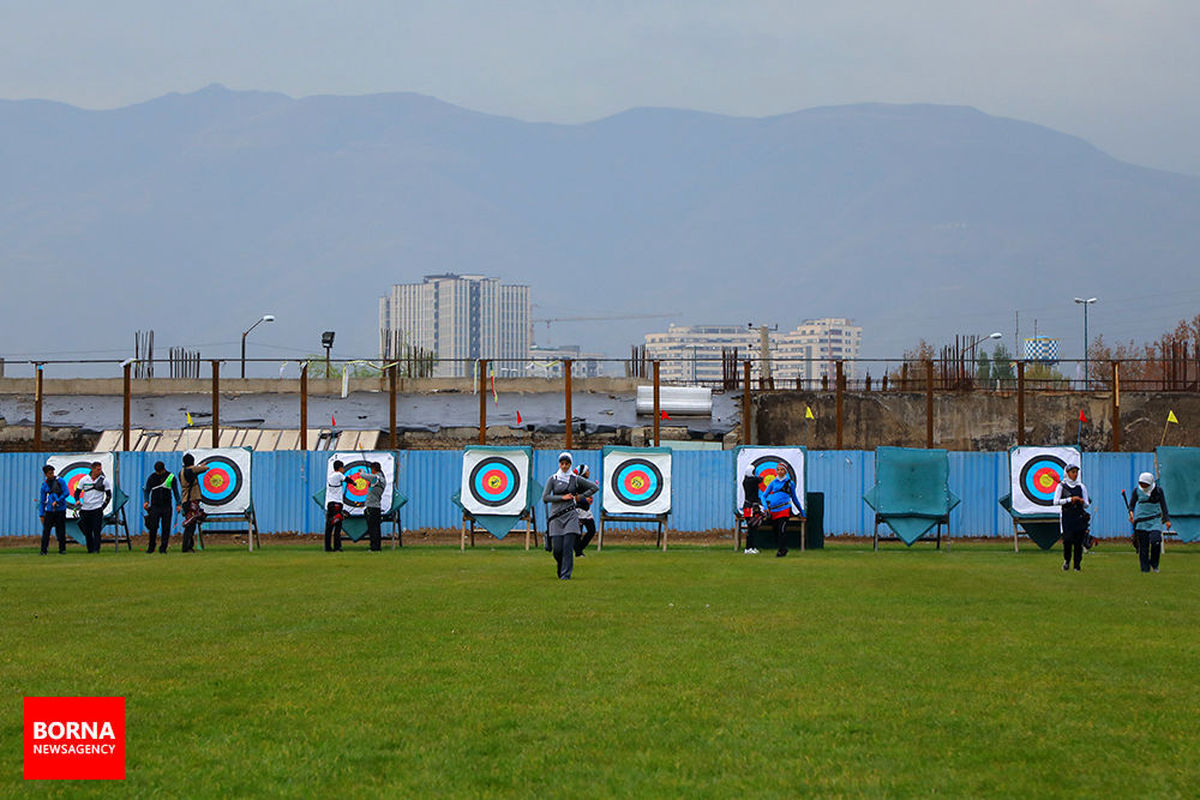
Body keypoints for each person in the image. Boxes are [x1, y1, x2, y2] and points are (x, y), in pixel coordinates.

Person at [541, 452, 598, 579]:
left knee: (567, 547)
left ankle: (565, 575)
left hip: (571, 515)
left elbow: (594, 487)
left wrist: (580, 497)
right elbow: (545, 497)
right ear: (559, 464)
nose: (565, 466)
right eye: (562, 464)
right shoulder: (553, 479)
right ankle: (561, 567)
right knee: (558, 550)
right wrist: (562, 497)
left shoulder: (575, 478)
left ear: (570, 464)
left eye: (567, 464)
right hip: (556, 516)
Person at [1128, 472, 1171, 573]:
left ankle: (1154, 563)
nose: (1143, 486)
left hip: (1154, 519)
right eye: (1141, 483)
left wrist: (1167, 520)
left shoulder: (1158, 491)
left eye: (1145, 484)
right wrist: (1131, 514)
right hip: (1141, 521)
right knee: (1144, 546)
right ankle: (1145, 568)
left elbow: (1164, 506)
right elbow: (1132, 505)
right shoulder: (1137, 491)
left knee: (1156, 540)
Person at [760, 462, 805, 558]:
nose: (780, 471)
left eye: (782, 470)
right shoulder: (773, 482)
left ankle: (782, 550)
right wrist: (765, 507)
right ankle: (782, 548)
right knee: (776, 530)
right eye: (778, 470)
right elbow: (763, 496)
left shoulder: (790, 483)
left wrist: (801, 511)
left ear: (785, 471)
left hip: (784, 509)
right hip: (773, 511)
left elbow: (794, 498)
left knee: (782, 530)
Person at [1052, 462, 1090, 572]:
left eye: (1076, 472)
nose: (1075, 474)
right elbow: (1055, 501)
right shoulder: (1061, 486)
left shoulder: (1081, 486)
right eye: (1073, 472)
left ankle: (1077, 565)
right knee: (1067, 541)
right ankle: (1067, 560)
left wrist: (1081, 501)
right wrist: (1070, 500)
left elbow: (1087, 504)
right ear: (1067, 473)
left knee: (1078, 543)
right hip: (1067, 517)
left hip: (1079, 517)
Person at [143, 460, 180, 554]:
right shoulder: (152, 477)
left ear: (163, 469)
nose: (158, 473)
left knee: (166, 527)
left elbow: (176, 492)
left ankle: (163, 548)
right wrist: (146, 501)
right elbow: (147, 490)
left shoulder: (171, 477)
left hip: (167, 506)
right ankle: (151, 547)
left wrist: (178, 504)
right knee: (153, 527)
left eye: (159, 472)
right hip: (155, 506)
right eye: (157, 472)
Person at [74, 461, 111, 554]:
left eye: (100, 469)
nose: (100, 471)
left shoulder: (104, 480)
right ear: (92, 469)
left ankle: (96, 549)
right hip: (85, 509)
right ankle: (90, 549)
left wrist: (103, 507)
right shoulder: (84, 479)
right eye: (98, 469)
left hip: (97, 509)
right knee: (87, 531)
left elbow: (109, 495)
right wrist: (77, 500)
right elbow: (77, 492)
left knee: (97, 530)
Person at [176, 454, 210, 553]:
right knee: (190, 525)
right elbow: (205, 468)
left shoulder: (182, 472)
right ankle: (186, 547)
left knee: (190, 524)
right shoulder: (191, 470)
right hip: (191, 500)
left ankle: (188, 546)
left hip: (186, 501)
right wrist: (200, 466)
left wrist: (198, 466)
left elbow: (193, 471)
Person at [39, 465, 69, 555]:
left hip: (60, 510)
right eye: (49, 473)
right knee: (46, 531)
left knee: (61, 530)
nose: (52, 475)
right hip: (49, 511)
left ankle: (62, 549)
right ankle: (43, 550)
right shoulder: (44, 485)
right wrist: (41, 514)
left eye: (52, 473)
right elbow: (42, 500)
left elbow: (66, 492)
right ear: (45, 474)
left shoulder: (60, 481)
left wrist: (58, 500)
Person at [573, 464, 597, 557]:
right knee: (578, 533)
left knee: (592, 530)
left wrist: (589, 499)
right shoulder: (576, 483)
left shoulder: (585, 483)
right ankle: (578, 553)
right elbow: (574, 497)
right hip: (578, 510)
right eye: (587, 470)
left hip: (586, 511)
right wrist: (584, 499)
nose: (588, 472)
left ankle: (578, 549)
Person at [325, 460, 348, 552]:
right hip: (337, 504)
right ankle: (337, 547)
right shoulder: (338, 475)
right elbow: (347, 480)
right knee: (338, 526)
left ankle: (327, 547)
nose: (343, 469)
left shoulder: (331, 475)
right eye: (343, 468)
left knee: (329, 527)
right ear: (340, 468)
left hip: (330, 503)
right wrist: (355, 483)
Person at [364, 462, 387, 552]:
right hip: (376, 507)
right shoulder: (382, 479)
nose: (371, 471)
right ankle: (377, 547)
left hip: (372, 507)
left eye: (371, 470)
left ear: (374, 469)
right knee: (376, 528)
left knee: (372, 528)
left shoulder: (376, 478)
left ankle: (374, 547)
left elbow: (363, 476)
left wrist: (362, 471)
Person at [742, 464, 764, 554]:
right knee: (751, 528)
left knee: (752, 528)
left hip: (748, 506)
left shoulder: (746, 480)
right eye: (754, 472)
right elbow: (761, 479)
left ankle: (751, 547)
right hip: (750, 507)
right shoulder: (752, 480)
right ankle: (748, 548)